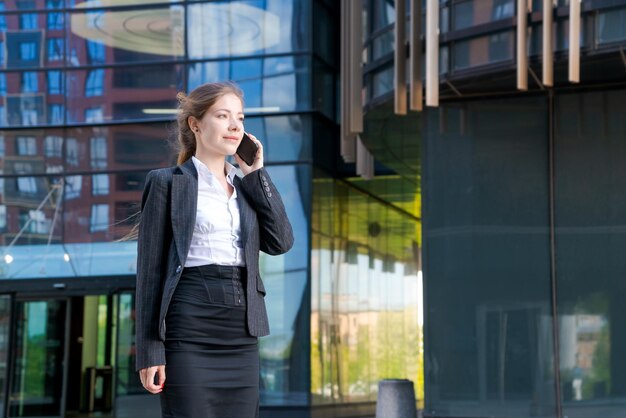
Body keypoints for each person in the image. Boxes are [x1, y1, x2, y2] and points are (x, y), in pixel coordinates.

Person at [134, 81, 294, 417]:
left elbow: (281, 241)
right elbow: (149, 272)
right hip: (188, 327)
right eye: (223, 116)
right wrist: (150, 351)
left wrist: (257, 174)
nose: (235, 125)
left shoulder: (246, 185)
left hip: (241, 333)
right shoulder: (167, 182)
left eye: (240, 117)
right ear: (195, 124)